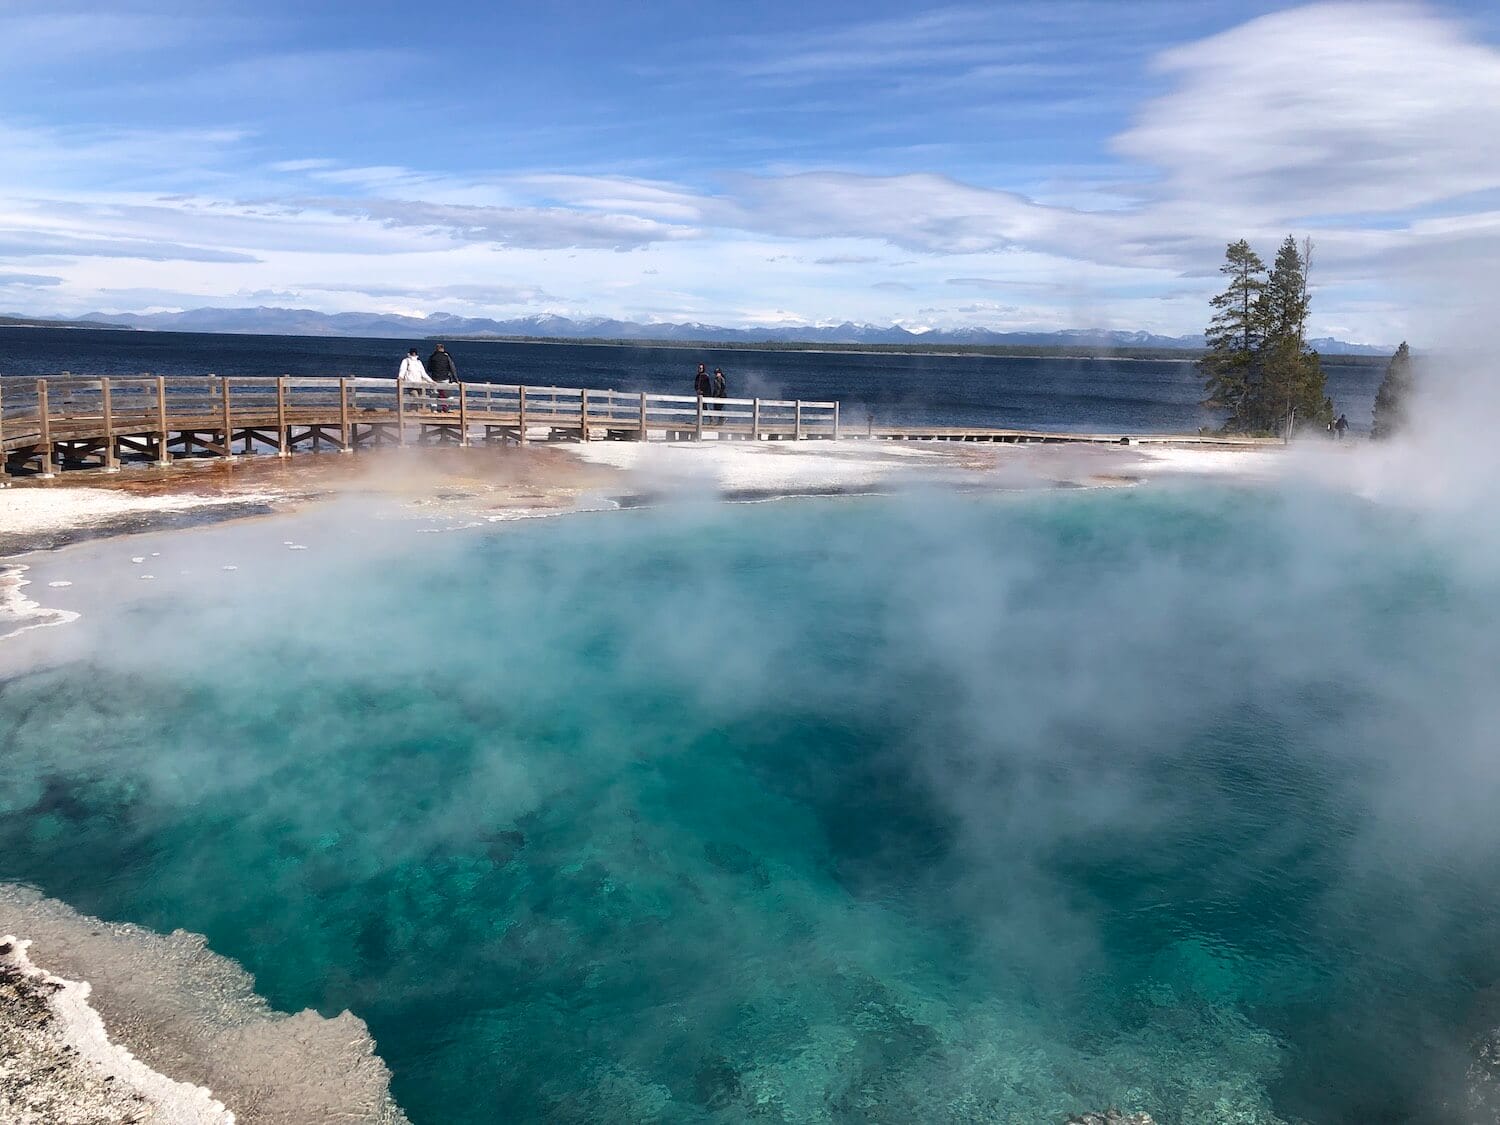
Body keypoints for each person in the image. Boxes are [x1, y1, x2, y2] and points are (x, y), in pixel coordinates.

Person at [427, 344, 458, 413]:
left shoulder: (432, 357)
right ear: (443, 349)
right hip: (445, 378)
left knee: (433, 395)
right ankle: (447, 408)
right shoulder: (446, 357)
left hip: (434, 378)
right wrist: (456, 379)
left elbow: (429, 369)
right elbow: (452, 368)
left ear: (436, 349)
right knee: (448, 395)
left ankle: (434, 410)